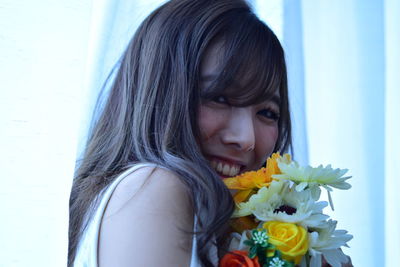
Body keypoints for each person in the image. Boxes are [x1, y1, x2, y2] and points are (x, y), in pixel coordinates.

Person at [68, 0, 292, 266]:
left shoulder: (224, 223)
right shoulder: (153, 187)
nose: (246, 139)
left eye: (267, 113)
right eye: (219, 97)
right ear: (158, 91)